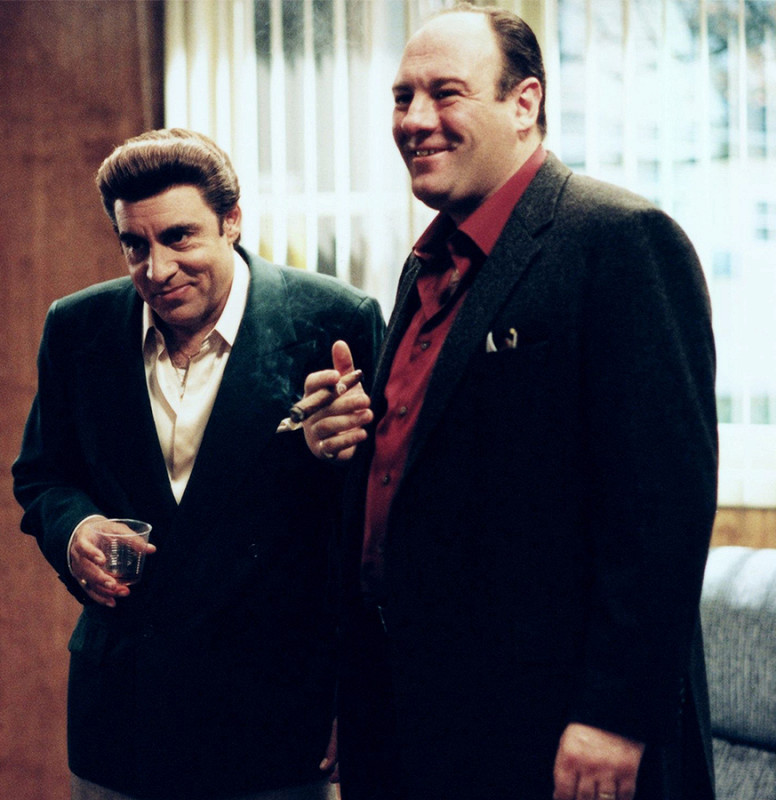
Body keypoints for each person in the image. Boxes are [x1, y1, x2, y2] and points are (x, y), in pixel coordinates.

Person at [300, 6, 718, 800]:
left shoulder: (619, 240)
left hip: (552, 729)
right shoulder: (428, 263)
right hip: (412, 713)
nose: (414, 120)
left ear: (524, 103)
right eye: (402, 97)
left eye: (445, 93)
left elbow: (661, 506)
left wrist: (615, 716)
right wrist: (342, 439)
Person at [12, 128, 385, 800]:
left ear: (232, 221)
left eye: (179, 237)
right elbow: (42, 474)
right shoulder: (77, 327)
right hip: (122, 716)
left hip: (278, 718)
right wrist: (74, 531)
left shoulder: (335, 320)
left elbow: (375, 519)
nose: (157, 270)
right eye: (135, 245)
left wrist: (356, 691)